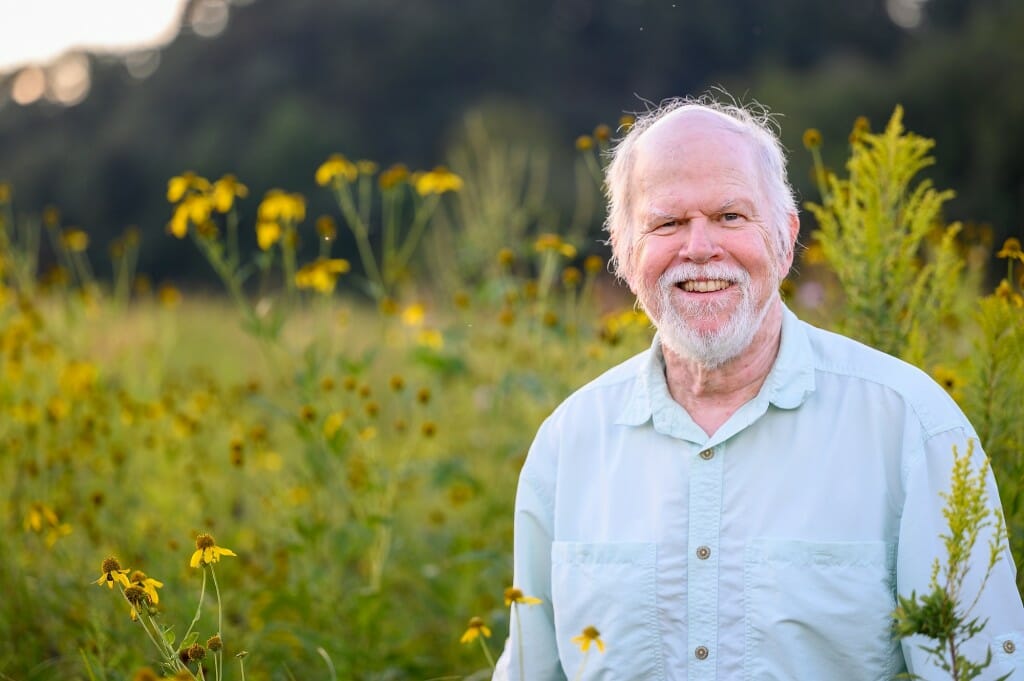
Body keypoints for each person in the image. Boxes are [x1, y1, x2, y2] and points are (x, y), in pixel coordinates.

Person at [492, 96, 1024, 680]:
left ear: (786, 238)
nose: (699, 247)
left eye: (730, 217)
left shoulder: (910, 428)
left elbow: (979, 670)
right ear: (623, 250)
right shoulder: (569, 445)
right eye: (667, 222)